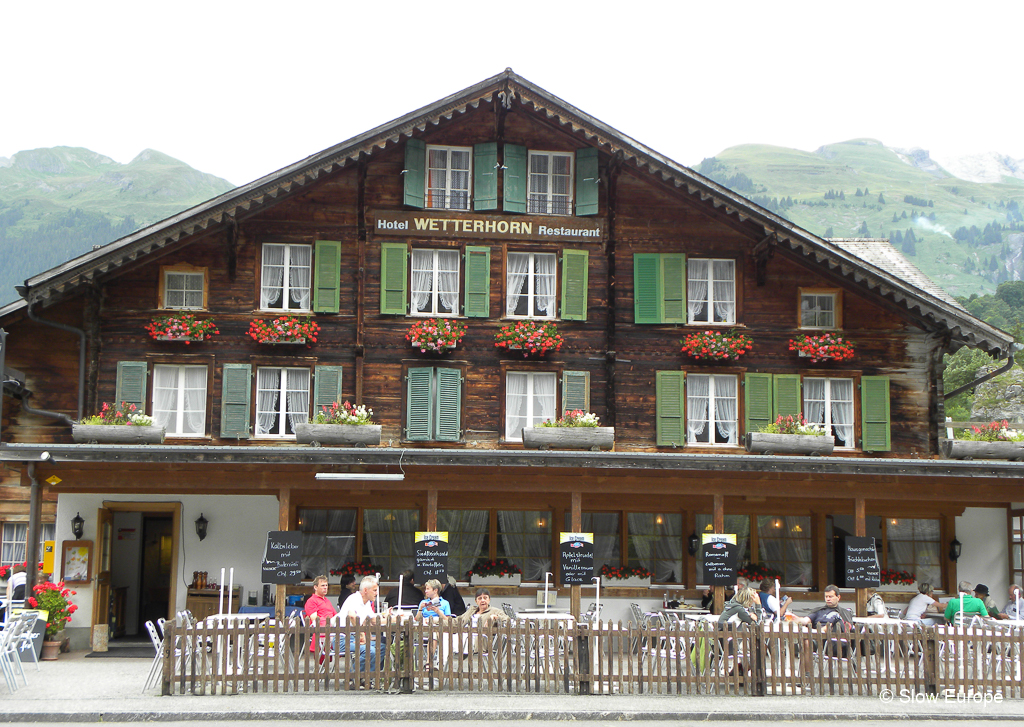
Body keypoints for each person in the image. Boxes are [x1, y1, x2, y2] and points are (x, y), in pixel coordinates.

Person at [338, 575, 380, 675]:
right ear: (365, 590)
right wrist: (361, 634)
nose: (377, 593)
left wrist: (390, 617)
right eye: (374, 590)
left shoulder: (366, 603)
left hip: (353, 638)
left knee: (382, 646)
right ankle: (354, 678)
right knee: (370, 650)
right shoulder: (354, 599)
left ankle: (369, 675)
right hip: (343, 639)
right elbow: (352, 616)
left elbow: (374, 620)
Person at [454, 588, 509, 656]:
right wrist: (438, 620)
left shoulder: (495, 611)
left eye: (485, 598)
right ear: (476, 601)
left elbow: (507, 620)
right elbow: (457, 621)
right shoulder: (472, 610)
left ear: (489, 600)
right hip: (465, 635)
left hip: (480, 639)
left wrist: (495, 616)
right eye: (480, 598)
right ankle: (441, 663)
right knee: (447, 637)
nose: (483, 600)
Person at [303, 575, 338, 654]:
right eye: (322, 586)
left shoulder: (327, 600)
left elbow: (336, 615)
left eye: (326, 585)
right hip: (323, 631)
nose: (325, 587)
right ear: (315, 587)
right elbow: (315, 620)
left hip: (333, 629)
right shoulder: (311, 601)